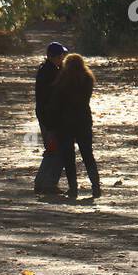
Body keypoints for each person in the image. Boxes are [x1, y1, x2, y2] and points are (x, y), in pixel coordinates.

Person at [50, 53, 101, 200]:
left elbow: (56, 103)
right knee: (88, 155)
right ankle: (96, 187)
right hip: (83, 121)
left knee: (69, 157)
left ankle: (73, 188)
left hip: (65, 123)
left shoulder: (62, 81)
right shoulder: (88, 79)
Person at [34, 42, 67, 194]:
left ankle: (41, 183)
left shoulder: (46, 69)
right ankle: (49, 184)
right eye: (61, 56)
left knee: (52, 150)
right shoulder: (52, 73)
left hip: (45, 116)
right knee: (58, 151)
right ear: (54, 57)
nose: (63, 58)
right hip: (51, 119)